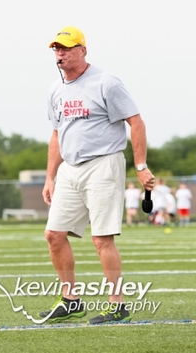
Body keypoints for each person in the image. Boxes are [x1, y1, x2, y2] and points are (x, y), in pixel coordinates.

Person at [40, 26, 156, 324]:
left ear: (83, 50)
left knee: (102, 239)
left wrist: (140, 166)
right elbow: (56, 134)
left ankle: (116, 305)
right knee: (54, 235)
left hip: (103, 164)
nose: (60, 53)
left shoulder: (106, 82)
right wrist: (50, 176)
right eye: (56, 48)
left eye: (66, 47)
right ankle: (70, 300)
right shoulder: (55, 88)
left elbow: (137, 122)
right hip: (69, 169)